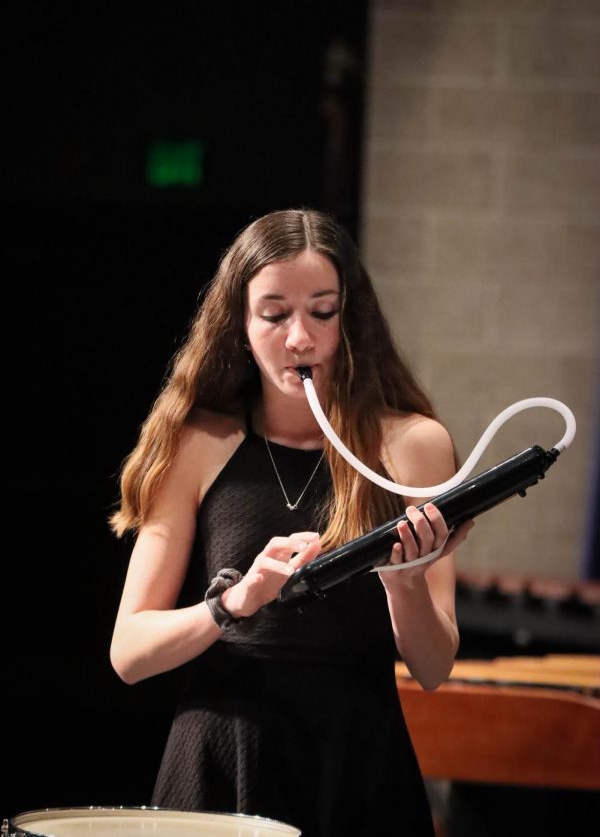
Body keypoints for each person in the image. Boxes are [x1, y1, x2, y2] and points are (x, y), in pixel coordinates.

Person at [109, 208, 475, 836]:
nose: (300, 339)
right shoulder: (197, 443)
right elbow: (130, 652)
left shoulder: (413, 444)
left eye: (322, 313)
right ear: (240, 326)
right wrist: (235, 602)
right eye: (274, 315)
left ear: (351, 319)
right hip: (223, 762)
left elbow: (434, 668)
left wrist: (404, 582)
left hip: (358, 764)